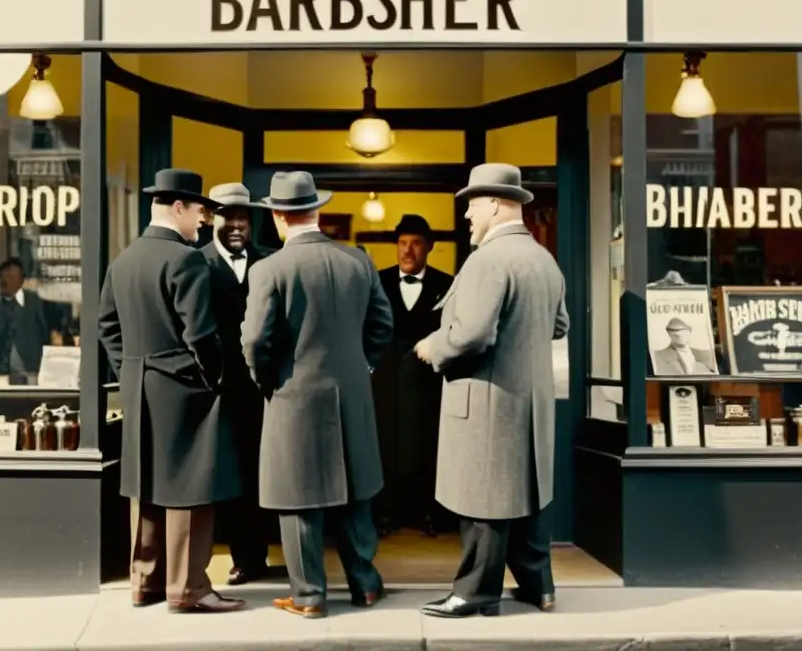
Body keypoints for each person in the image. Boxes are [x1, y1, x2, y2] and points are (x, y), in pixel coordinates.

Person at [414, 162, 569, 619]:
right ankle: (540, 588)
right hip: (531, 400)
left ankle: (475, 594)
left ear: (498, 204)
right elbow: (559, 326)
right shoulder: (544, 258)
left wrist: (432, 346)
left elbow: (471, 335)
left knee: (482, 499)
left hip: (486, 398)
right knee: (528, 497)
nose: (466, 216)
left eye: (472, 206)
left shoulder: (487, 258)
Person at [241, 170, 394, 618]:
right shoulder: (358, 261)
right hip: (352, 393)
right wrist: (361, 366)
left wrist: (267, 380)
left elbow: (255, 341)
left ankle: (309, 596)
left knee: (299, 498)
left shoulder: (268, 268)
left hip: (293, 395)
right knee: (355, 491)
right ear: (317, 210)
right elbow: (382, 325)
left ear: (276, 215)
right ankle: (365, 584)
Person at [97, 168, 245, 614]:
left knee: (145, 482)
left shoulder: (123, 259)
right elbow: (201, 334)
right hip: (183, 385)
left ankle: (145, 582)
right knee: (190, 486)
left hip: (139, 385)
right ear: (178, 207)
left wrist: (130, 370)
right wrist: (212, 377)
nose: (203, 221)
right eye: (200, 211)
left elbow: (107, 326)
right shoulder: (186, 259)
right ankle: (188, 588)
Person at [199, 182, 277, 586]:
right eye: (226, 215)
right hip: (217, 388)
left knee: (261, 473)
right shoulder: (197, 263)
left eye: (242, 217)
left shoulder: (270, 262)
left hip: (264, 389)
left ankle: (257, 554)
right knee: (227, 475)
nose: (235, 224)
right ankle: (237, 556)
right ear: (212, 218)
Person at [371, 214, 454, 537]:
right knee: (386, 445)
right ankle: (385, 516)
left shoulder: (446, 285)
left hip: (428, 382)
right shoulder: (377, 282)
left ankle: (429, 514)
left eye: (416, 243)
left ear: (429, 247)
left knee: (427, 445)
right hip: (386, 381)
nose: (408, 251)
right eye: (403, 243)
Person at [0, 257, 48, 384]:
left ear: (21, 280)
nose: (5, 280)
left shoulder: (36, 303)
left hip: (31, 371)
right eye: (2, 278)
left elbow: (45, 332)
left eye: (11, 276)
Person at [651, 317, 717, 375]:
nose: (678, 335)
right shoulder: (658, 356)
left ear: (690, 331)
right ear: (668, 333)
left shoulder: (705, 354)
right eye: (673, 331)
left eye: (682, 331)